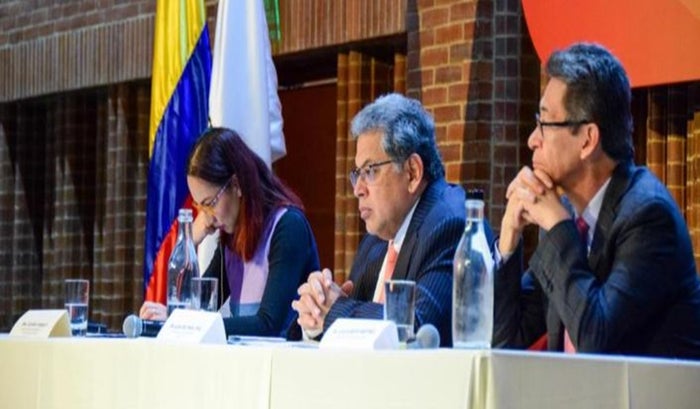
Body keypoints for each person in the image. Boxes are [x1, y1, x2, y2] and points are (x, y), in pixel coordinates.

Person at [493, 42, 700, 358]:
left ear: (588, 139)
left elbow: (595, 343)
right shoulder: (565, 216)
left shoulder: (648, 216)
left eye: (544, 124)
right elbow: (506, 343)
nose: (532, 140)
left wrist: (559, 227)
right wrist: (508, 241)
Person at [292, 93, 487, 346]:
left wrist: (334, 311)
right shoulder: (375, 242)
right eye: (357, 173)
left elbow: (415, 327)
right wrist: (316, 312)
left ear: (412, 172)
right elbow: (351, 315)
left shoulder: (450, 223)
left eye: (370, 171)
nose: (357, 189)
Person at [140, 127, 320, 337]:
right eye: (199, 206)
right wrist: (190, 243)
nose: (207, 216)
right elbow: (201, 308)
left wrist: (185, 322)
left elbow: (268, 325)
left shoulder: (288, 227)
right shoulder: (232, 237)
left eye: (209, 203)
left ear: (236, 184)